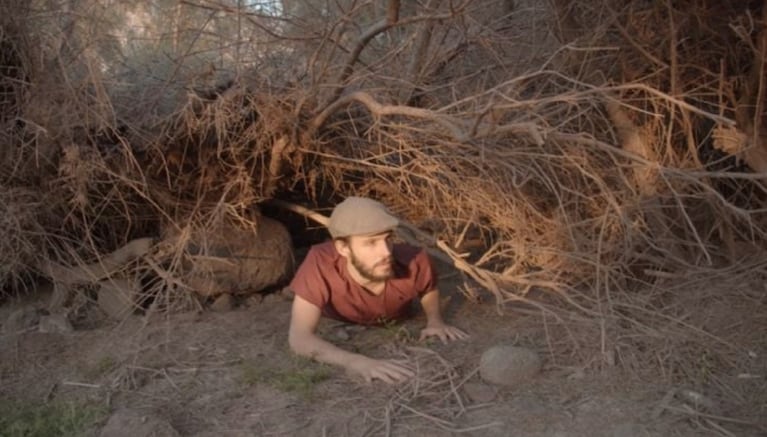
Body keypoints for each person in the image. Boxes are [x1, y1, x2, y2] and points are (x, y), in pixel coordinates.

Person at [287, 196, 468, 384]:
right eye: (370, 243)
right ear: (343, 248)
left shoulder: (413, 260)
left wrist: (435, 321)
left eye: (388, 239)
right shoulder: (321, 262)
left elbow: (428, 288)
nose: (386, 252)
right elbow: (299, 338)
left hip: (396, 318)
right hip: (338, 317)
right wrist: (356, 362)